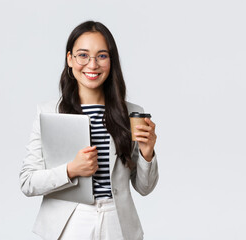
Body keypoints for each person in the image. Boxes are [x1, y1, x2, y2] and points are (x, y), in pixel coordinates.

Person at [19, 21, 159, 240]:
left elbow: (145, 187)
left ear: (111, 62)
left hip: (117, 221)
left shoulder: (132, 114)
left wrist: (147, 153)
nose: (92, 65)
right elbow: (28, 182)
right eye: (83, 55)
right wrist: (71, 170)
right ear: (70, 60)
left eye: (102, 56)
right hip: (70, 222)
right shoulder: (48, 113)